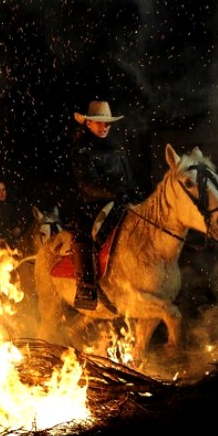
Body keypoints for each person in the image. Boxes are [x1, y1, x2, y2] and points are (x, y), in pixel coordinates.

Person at [69, 100, 140, 310]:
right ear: (88, 123)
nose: (104, 127)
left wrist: (135, 196)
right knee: (85, 236)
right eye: (99, 123)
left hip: (121, 203)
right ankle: (86, 288)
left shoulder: (117, 148)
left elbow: (129, 179)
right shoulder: (81, 150)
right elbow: (87, 184)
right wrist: (113, 193)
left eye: (107, 123)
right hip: (92, 206)